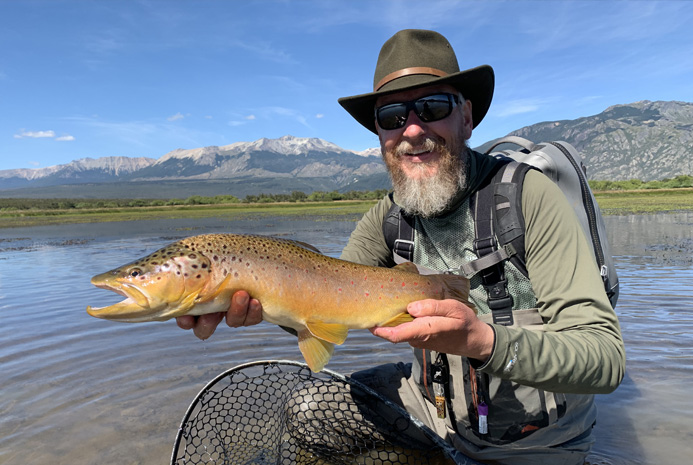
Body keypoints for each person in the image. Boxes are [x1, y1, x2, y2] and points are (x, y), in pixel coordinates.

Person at [177, 29, 625, 464]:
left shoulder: (527, 197)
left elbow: (605, 357)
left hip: (535, 443)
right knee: (308, 411)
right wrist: (255, 298)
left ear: (465, 117)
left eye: (432, 107)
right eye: (392, 116)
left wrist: (481, 341)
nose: (412, 130)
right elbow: (324, 300)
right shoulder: (386, 218)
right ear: (380, 135)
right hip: (431, 409)